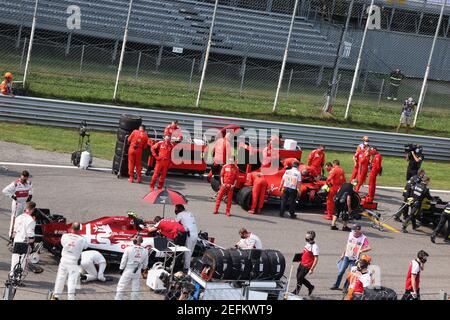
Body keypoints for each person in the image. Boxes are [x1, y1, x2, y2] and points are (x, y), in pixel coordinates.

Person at [52, 222, 88, 300]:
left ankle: (56, 296)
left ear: (71, 228)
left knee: (60, 279)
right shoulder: (82, 239)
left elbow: (62, 243)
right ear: (79, 230)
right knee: (72, 282)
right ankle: (71, 298)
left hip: (64, 261)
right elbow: (85, 246)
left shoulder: (65, 236)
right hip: (73, 263)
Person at [330, 224, 371, 291]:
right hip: (347, 256)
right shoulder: (351, 234)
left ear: (358, 230)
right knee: (341, 271)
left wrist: (361, 250)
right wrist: (343, 253)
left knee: (351, 273)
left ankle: (345, 288)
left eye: (354, 230)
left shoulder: (363, 238)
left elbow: (369, 247)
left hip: (354, 259)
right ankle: (336, 285)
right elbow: (348, 244)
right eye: (353, 230)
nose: (353, 231)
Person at [115, 236, 149, 300]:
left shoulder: (128, 249)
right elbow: (145, 264)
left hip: (128, 269)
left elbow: (123, 260)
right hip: (137, 271)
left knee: (121, 286)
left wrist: (121, 268)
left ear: (134, 241)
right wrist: (143, 268)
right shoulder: (145, 251)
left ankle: (118, 299)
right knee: (135, 288)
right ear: (141, 241)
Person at [3, 170, 33, 240]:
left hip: (24, 203)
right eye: (22, 179)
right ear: (21, 177)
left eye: (25, 179)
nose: (23, 181)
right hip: (17, 204)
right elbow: (4, 191)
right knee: (14, 219)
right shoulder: (15, 184)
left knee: (22, 219)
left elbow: (31, 189)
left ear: (27, 178)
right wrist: (12, 196)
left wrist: (30, 196)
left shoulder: (29, 183)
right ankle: (11, 235)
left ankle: (19, 233)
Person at [10, 201, 37, 278]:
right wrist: (32, 240)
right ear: (33, 209)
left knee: (14, 260)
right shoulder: (31, 220)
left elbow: (14, 231)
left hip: (16, 240)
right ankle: (18, 278)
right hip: (24, 243)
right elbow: (30, 234)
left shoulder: (19, 217)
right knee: (23, 261)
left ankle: (12, 275)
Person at [293, 231, 318, 296]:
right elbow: (305, 253)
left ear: (310, 238)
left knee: (299, 278)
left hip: (307, 266)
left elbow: (316, 259)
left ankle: (296, 292)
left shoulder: (315, 247)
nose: (305, 238)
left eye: (306, 237)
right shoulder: (308, 244)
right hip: (302, 263)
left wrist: (312, 269)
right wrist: (299, 258)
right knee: (299, 277)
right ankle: (310, 287)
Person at [174, 204, 198, 271]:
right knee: (190, 251)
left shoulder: (180, 214)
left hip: (189, 235)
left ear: (179, 209)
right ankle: (186, 265)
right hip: (195, 234)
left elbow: (174, 223)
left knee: (187, 251)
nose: (175, 211)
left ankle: (186, 268)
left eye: (176, 209)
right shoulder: (190, 213)